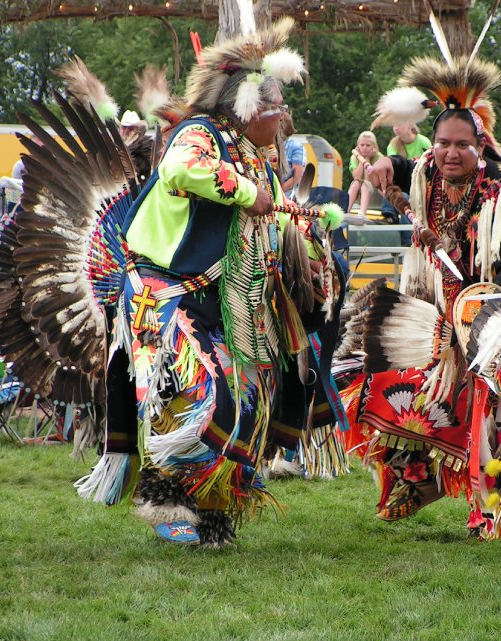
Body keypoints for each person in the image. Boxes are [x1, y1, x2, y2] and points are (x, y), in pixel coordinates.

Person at [77, 18, 322, 548]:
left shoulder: (257, 159)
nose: (283, 118)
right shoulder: (199, 136)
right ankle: (161, 494)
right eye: (276, 107)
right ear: (247, 107)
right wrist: (244, 191)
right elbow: (181, 172)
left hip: (221, 303)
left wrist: (305, 238)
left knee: (240, 403)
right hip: (162, 292)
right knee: (193, 395)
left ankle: (213, 514)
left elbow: (271, 218)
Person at [337, 49, 501, 539]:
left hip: (492, 321)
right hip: (432, 309)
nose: (449, 153)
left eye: (461, 145)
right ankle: (416, 479)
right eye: (443, 142)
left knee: (491, 409)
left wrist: (484, 318)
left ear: (481, 145)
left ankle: (494, 506)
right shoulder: (425, 173)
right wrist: (383, 164)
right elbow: (397, 166)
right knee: (393, 384)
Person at [346, 130, 382, 217]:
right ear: (358, 146)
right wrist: (361, 159)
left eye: (368, 145)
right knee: (356, 183)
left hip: (376, 194)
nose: (364, 148)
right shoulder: (354, 157)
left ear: (374, 147)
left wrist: (367, 159)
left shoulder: (380, 158)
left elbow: (368, 180)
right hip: (361, 196)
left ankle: (362, 214)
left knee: (365, 184)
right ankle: (346, 211)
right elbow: (357, 177)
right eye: (362, 145)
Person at [279, 111, 306, 195]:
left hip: (288, 196)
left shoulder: (296, 147)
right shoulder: (268, 146)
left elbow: (297, 178)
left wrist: (278, 192)